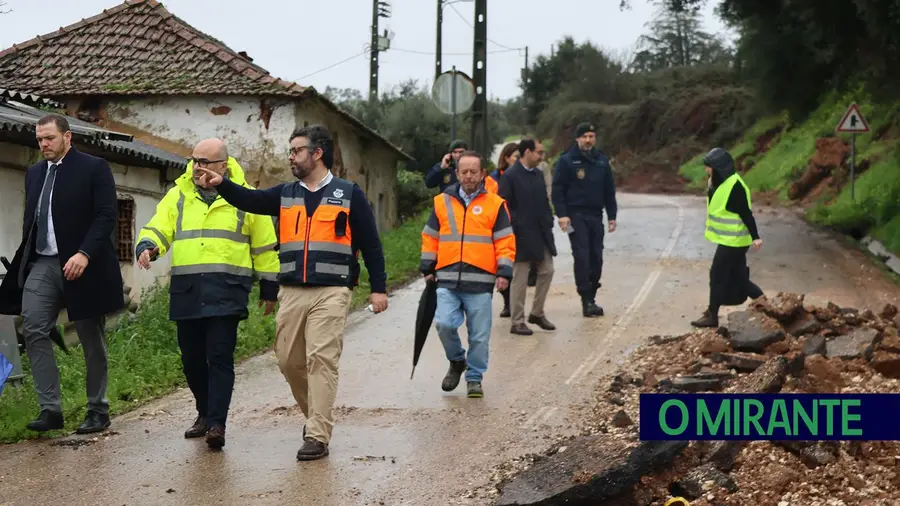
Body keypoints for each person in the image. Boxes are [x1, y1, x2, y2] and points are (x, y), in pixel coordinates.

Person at [194, 124, 388, 462]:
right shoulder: (285, 193)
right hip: (293, 290)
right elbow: (250, 200)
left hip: (333, 290)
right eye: (290, 151)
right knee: (288, 360)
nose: (290, 157)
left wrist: (379, 289)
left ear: (317, 153)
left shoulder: (349, 193)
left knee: (321, 359)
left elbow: (371, 244)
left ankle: (317, 434)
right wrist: (221, 184)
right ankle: (317, 415)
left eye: (296, 150)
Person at [134, 139, 280, 449]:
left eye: (205, 161)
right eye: (194, 159)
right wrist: (148, 246)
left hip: (227, 289)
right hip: (188, 289)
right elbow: (159, 227)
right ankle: (204, 411)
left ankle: (217, 423)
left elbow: (266, 245)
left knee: (219, 357)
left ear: (222, 166)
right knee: (192, 361)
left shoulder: (244, 198)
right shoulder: (180, 195)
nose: (197, 166)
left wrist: (270, 286)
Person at [17, 114, 125, 433]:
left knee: (90, 337)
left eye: (49, 138)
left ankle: (97, 408)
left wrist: (84, 252)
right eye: (39, 140)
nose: (44, 145)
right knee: (34, 327)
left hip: (83, 264)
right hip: (45, 262)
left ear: (67, 137)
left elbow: (107, 216)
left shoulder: (94, 168)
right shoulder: (34, 173)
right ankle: (50, 409)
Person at [421, 150, 515, 398]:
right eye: (464, 172)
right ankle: (457, 360)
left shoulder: (495, 205)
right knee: (443, 324)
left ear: (482, 174)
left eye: (474, 171)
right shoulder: (441, 202)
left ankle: (474, 379)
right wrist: (427, 268)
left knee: (480, 336)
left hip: (481, 281)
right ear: (456, 173)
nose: (469, 176)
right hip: (447, 278)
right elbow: (430, 236)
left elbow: (505, 241)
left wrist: (504, 272)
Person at [690, 147, 765, 328]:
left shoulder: (735, 186)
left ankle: (712, 315)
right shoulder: (721, 183)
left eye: (709, 167)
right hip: (730, 241)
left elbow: (746, 214)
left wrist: (755, 236)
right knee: (739, 279)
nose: (707, 170)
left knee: (717, 274)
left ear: (719, 168)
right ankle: (766, 305)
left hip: (734, 243)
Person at [551, 123, 617, 317]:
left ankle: (593, 295)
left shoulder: (601, 161)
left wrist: (612, 215)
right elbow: (557, 190)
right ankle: (586, 299)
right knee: (582, 256)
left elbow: (609, 191)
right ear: (577, 139)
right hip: (574, 217)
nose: (588, 140)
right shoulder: (567, 161)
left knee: (597, 257)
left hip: (595, 215)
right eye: (585, 136)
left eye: (591, 136)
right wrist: (562, 215)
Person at [499, 139, 557, 336]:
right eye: (538, 152)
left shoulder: (538, 174)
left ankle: (537, 312)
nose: (541, 156)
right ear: (527, 152)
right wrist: (515, 227)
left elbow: (544, 201)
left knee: (547, 270)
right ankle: (517, 321)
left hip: (541, 233)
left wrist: (548, 220)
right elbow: (503, 207)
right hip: (520, 235)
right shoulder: (510, 176)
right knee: (520, 278)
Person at [484, 142, 518, 316]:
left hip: (518, 226)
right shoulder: (493, 179)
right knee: (503, 264)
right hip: (500, 227)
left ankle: (515, 302)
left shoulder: (524, 175)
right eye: (515, 157)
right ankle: (507, 302)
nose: (518, 161)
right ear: (506, 158)